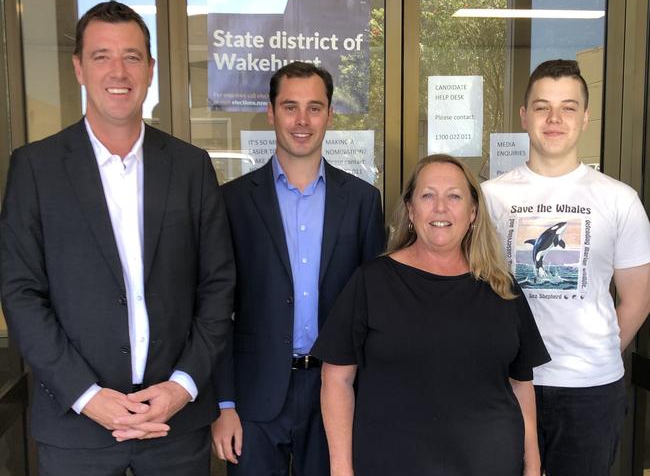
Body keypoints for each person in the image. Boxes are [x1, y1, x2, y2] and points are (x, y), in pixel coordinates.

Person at [0, 0, 235, 475]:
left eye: (131, 56)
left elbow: (217, 286)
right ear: (79, 68)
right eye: (101, 56)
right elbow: (21, 294)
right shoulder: (36, 168)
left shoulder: (191, 168)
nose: (118, 71)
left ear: (150, 70)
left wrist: (182, 387)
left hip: (174, 425)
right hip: (76, 427)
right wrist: (88, 397)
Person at [312, 153, 550, 475]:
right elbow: (336, 377)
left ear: (473, 213)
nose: (441, 208)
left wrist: (532, 464)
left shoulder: (502, 288)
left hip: (491, 463)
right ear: (411, 210)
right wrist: (341, 469)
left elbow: (521, 384)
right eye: (428, 195)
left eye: (454, 196)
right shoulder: (373, 282)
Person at [210, 61, 385, 475]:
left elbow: (375, 309)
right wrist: (224, 404)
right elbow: (214, 307)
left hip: (336, 389)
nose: (302, 120)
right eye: (290, 107)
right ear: (271, 113)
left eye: (314, 107)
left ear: (330, 114)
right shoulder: (231, 202)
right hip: (254, 395)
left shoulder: (362, 201)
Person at [482, 59, 650, 475]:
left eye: (568, 107)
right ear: (524, 116)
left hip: (591, 390)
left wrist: (595, 353)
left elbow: (638, 297)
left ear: (585, 117)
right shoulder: (489, 198)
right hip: (504, 384)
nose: (554, 118)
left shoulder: (619, 199)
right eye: (542, 107)